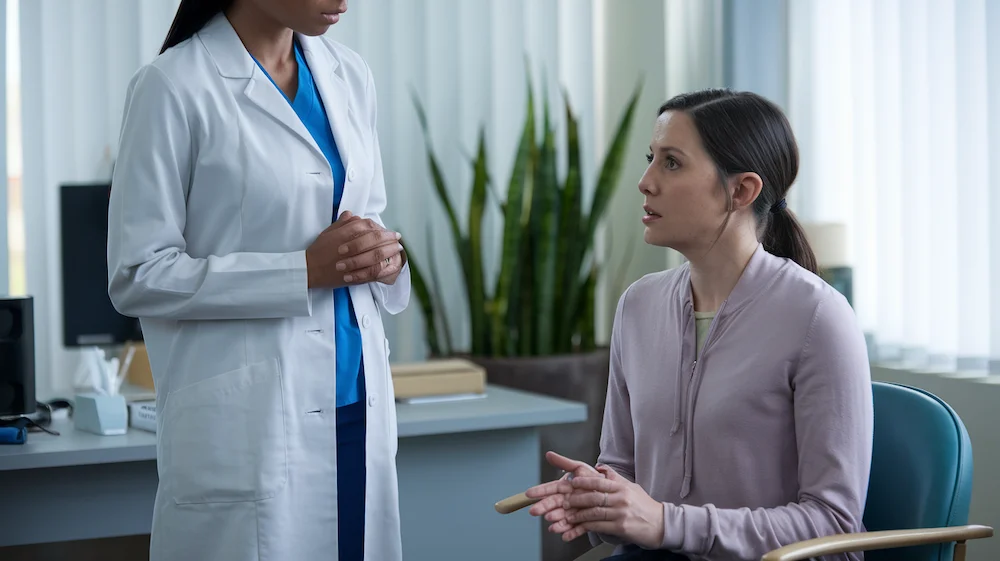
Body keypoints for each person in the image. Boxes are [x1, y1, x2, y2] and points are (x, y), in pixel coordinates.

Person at [106, 1, 409, 559]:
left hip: (354, 404)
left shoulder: (349, 74)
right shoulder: (172, 85)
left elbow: (366, 217)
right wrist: (300, 272)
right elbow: (137, 274)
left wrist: (385, 256)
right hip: (251, 423)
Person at [524, 89, 874, 561]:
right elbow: (622, 468)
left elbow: (833, 526)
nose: (645, 182)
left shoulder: (818, 318)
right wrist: (600, 497)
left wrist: (667, 523)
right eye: (652, 158)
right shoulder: (637, 306)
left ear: (741, 191)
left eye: (672, 163)